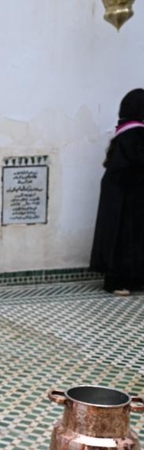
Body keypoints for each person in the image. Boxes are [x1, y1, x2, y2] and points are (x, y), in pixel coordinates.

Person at [90, 88, 144, 296]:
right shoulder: (136, 133)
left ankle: (130, 278)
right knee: (126, 235)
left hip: (123, 193)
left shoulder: (126, 131)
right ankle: (116, 280)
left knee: (124, 235)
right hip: (129, 195)